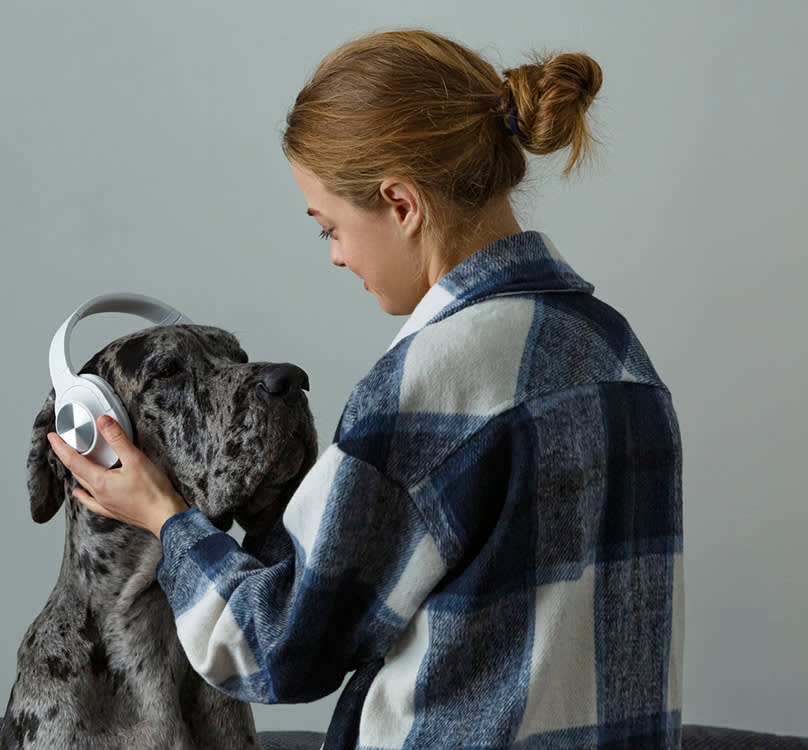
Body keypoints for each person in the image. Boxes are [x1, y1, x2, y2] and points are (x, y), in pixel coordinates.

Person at [48, 28, 683, 750]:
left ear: (401, 203)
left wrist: (164, 517)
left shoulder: (434, 385)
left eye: (330, 227)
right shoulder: (621, 355)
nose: (337, 255)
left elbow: (273, 650)